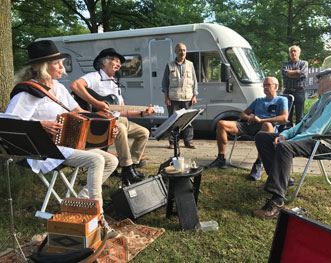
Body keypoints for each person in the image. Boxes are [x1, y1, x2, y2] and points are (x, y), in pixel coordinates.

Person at [5, 40, 119, 238]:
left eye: (60, 62)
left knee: (112, 160)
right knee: (97, 160)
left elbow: (80, 112)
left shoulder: (58, 87)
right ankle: (98, 218)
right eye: (57, 63)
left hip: (67, 143)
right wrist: (40, 125)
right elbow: (9, 123)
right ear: (43, 67)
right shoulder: (27, 92)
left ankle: (77, 208)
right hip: (44, 149)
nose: (62, 67)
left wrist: (107, 125)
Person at [254, 68, 331, 219]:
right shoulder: (320, 100)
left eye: (320, 78)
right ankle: (283, 180)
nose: (317, 81)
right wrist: (284, 135)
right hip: (311, 139)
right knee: (262, 137)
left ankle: (277, 201)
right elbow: (300, 126)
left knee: (284, 146)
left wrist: (287, 142)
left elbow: (318, 130)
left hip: (324, 143)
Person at [70, 48, 155, 185]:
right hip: (102, 122)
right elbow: (75, 85)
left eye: (119, 62)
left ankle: (131, 166)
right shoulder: (95, 76)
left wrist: (142, 113)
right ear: (104, 62)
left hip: (118, 118)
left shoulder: (115, 83)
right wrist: (97, 103)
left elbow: (122, 110)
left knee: (144, 133)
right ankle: (127, 168)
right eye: (115, 60)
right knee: (120, 128)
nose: (118, 64)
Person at [206, 77, 289, 181]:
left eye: (268, 85)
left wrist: (262, 120)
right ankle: (221, 158)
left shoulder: (282, 100)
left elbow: (284, 118)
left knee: (267, 125)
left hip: (266, 128)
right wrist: (249, 118)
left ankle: (258, 163)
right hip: (250, 125)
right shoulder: (258, 100)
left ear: (275, 86)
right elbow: (242, 114)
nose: (265, 87)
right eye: (264, 85)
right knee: (221, 123)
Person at [162, 43, 198, 149]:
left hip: (188, 98)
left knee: (188, 121)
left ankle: (188, 141)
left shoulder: (190, 65)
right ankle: (173, 142)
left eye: (184, 50)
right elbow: (164, 83)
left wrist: (194, 95)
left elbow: (194, 81)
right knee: (173, 121)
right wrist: (166, 98)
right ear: (175, 52)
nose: (182, 52)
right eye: (179, 50)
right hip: (174, 99)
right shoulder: (169, 65)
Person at [281, 45, 308, 126]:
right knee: (287, 114)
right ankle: (288, 131)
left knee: (299, 115)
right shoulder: (285, 64)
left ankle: (298, 132)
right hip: (287, 91)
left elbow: (303, 75)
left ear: (299, 53)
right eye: (291, 51)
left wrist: (289, 74)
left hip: (299, 91)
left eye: (295, 51)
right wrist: (297, 72)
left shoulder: (304, 63)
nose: (293, 53)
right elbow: (284, 73)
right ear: (289, 54)